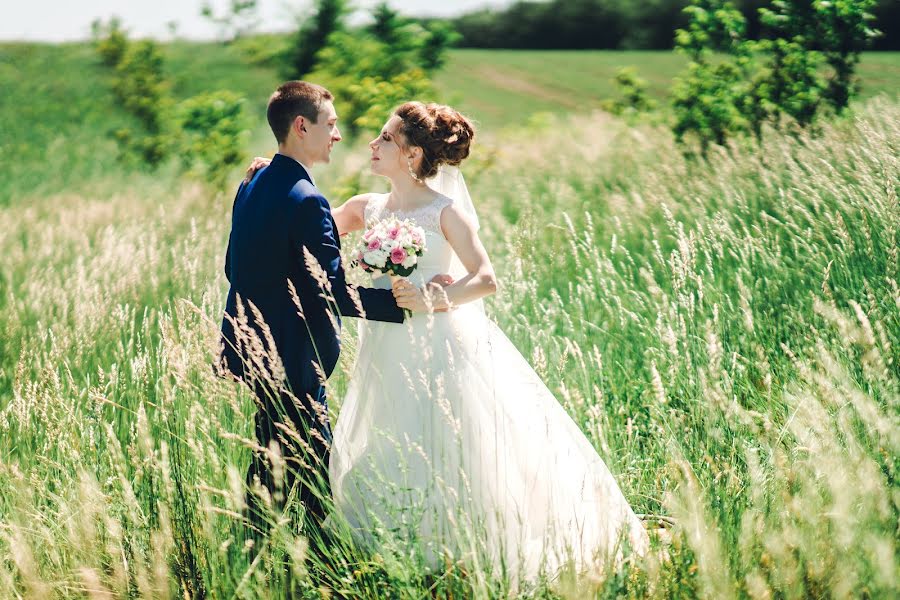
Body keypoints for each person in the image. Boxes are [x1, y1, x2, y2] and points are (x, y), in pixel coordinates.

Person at [244, 101, 649, 582]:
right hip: (385, 347)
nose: (372, 145)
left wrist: (436, 298)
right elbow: (298, 221)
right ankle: (398, 541)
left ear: (413, 155)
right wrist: (273, 174)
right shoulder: (364, 207)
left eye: (386, 139)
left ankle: (465, 543)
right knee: (392, 434)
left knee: (449, 437)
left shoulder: (444, 212)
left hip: (438, 342)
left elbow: (486, 279)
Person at [218, 81, 407, 554]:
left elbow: (233, 268)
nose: (338, 135)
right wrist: (398, 304)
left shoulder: (253, 181)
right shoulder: (307, 200)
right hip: (294, 357)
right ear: (302, 126)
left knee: (272, 451)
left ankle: (253, 547)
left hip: (251, 347)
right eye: (332, 124)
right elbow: (331, 292)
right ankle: (325, 562)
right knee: (310, 464)